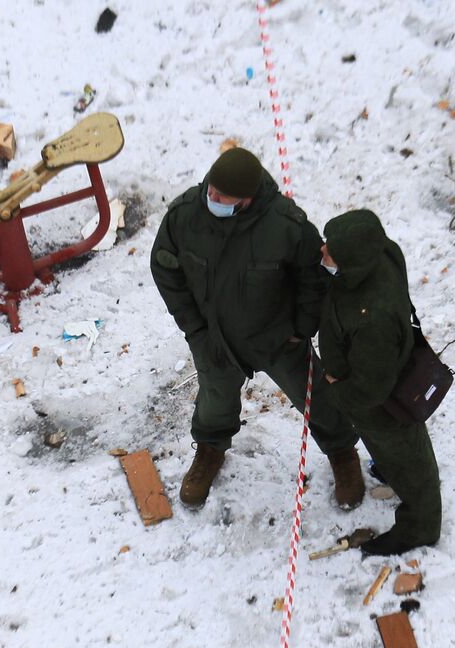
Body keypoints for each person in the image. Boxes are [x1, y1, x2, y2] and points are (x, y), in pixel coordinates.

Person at [150, 147, 364, 510]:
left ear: (247, 200)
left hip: (277, 338)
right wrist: (194, 329)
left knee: (315, 397)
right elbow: (165, 268)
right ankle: (210, 451)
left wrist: (301, 327)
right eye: (211, 190)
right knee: (214, 400)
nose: (212, 199)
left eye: (223, 197)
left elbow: (313, 279)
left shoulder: (286, 226)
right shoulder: (185, 216)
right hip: (215, 339)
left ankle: (342, 452)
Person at [317, 209, 442, 555]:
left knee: (409, 458)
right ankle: (391, 470)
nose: (323, 252)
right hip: (374, 383)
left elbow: (371, 389)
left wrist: (335, 387)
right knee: (387, 449)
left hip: (382, 402)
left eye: (331, 252)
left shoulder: (373, 318)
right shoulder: (382, 252)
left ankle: (420, 527)